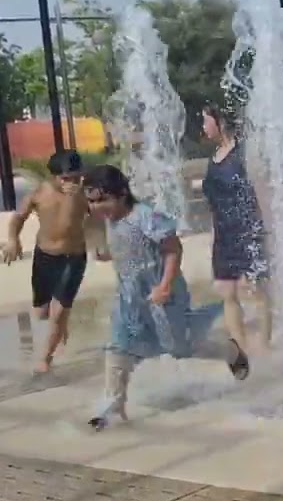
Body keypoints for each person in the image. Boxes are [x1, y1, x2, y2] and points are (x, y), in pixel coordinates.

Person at [82, 164, 249, 431]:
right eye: (91, 201)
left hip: (162, 292)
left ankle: (228, 350)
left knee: (178, 347)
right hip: (130, 297)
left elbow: (173, 249)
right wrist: (110, 255)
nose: (96, 207)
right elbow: (131, 248)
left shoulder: (146, 216)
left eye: (102, 199)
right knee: (118, 346)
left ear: (122, 193)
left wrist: (165, 285)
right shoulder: (110, 221)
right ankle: (111, 407)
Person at [2, 150, 101, 373]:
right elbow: (18, 218)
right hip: (45, 256)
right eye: (67, 178)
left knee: (58, 312)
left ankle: (45, 359)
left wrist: (100, 245)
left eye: (77, 178)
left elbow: (100, 219)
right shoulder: (40, 193)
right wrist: (13, 240)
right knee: (41, 312)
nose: (72, 183)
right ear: (53, 177)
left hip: (74, 257)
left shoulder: (85, 194)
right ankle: (60, 325)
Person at [201, 105, 273, 354]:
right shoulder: (213, 159)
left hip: (247, 230)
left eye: (206, 121)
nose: (203, 127)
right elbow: (213, 204)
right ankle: (240, 347)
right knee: (226, 292)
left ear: (220, 122)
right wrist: (213, 236)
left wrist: (264, 229)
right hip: (223, 235)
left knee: (255, 289)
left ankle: (264, 344)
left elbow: (261, 190)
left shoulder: (243, 154)